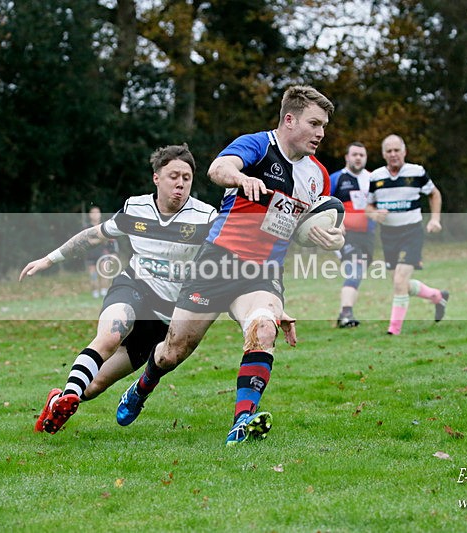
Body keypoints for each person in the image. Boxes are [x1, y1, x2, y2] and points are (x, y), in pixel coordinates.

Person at [115, 85, 343, 446]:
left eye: (324, 126)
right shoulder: (257, 146)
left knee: (263, 329)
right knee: (173, 351)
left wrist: (328, 238)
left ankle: (242, 421)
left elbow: (302, 225)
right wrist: (242, 178)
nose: (321, 133)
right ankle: (144, 385)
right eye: (314, 123)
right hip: (218, 262)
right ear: (289, 119)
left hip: (263, 272)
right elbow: (218, 168)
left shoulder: (318, 176)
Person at [20, 144, 217, 434]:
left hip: (164, 318)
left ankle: (60, 401)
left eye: (186, 178)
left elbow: (233, 254)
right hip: (133, 288)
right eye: (174, 175)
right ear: (156, 178)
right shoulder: (135, 208)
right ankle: (70, 396)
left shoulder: (206, 217)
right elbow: (94, 236)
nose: (180, 183)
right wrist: (50, 259)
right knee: (110, 336)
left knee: (96, 386)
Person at [366, 134, 448, 336]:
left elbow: (434, 193)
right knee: (399, 283)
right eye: (389, 151)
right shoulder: (376, 177)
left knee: (400, 282)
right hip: (388, 235)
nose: (393, 154)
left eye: (397, 150)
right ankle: (438, 296)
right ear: (383, 154)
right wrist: (375, 214)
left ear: (404, 152)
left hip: (411, 232)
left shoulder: (417, 172)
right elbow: (368, 206)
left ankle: (394, 330)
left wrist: (435, 219)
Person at [330, 142, 375, 328]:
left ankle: (344, 313)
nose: (358, 158)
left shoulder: (374, 179)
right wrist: (335, 225)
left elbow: (379, 205)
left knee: (357, 274)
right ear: (347, 157)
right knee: (355, 268)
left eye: (362, 155)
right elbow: (323, 205)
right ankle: (347, 313)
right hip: (345, 235)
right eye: (354, 154)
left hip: (368, 236)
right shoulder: (336, 179)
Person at [83, 206, 112, 298]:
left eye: (97, 212)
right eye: (93, 212)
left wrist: (113, 252)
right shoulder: (86, 228)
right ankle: (95, 292)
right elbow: (87, 241)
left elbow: (111, 240)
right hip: (91, 255)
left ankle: (104, 292)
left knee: (104, 273)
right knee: (93, 276)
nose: (95, 214)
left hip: (103, 254)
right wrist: (100, 239)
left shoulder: (105, 226)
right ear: (90, 215)